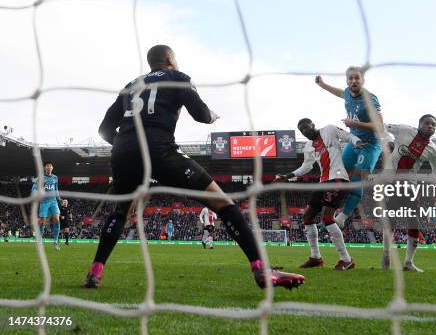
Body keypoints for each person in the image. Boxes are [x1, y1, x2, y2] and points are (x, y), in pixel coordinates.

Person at [83, 44, 304, 289]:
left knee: (120, 213)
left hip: (123, 152)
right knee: (224, 203)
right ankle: (262, 269)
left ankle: (95, 272)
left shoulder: (130, 85)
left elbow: (104, 129)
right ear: (169, 58)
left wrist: (126, 146)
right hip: (160, 150)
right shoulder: (178, 77)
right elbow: (200, 114)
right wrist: (212, 116)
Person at [274, 119, 362, 270]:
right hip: (324, 182)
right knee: (307, 216)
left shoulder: (329, 130)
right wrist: (286, 176)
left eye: (306, 128)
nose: (305, 131)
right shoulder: (309, 147)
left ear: (313, 125)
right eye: (301, 130)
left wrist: (357, 141)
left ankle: (346, 259)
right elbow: (306, 167)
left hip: (338, 179)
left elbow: (347, 136)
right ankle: (316, 257)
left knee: (327, 217)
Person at [315, 67, 383, 227]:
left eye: (357, 78)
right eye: (350, 79)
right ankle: (328, 218)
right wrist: (323, 85)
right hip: (353, 143)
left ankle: (342, 217)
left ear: (363, 81)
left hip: (370, 145)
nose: (354, 81)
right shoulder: (347, 92)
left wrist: (355, 123)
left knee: (356, 179)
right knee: (337, 176)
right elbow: (341, 93)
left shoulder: (370, 99)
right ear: (347, 81)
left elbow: (380, 126)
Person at [380, 115, 436, 272]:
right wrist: (386, 141)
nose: (430, 126)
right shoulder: (404, 130)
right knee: (390, 221)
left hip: (411, 187)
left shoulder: (433, 150)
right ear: (419, 124)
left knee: (414, 222)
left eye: (433, 125)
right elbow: (383, 126)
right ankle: (386, 255)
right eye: (427, 123)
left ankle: (408, 262)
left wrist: (435, 185)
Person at [31, 161, 67, 250]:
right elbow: (34, 188)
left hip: (53, 201)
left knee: (56, 219)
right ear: (45, 168)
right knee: (43, 221)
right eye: (47, 166)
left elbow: (56, 189)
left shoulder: (55, 177)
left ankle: (55, 242)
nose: (49, 167)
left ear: (52, 168)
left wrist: (59, 199)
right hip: (44, 202)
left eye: (50, 166)